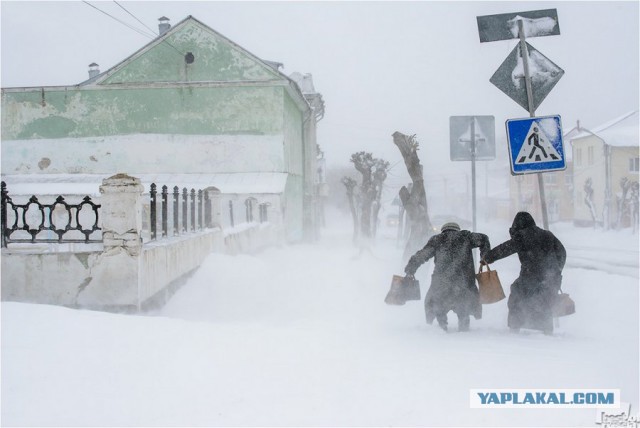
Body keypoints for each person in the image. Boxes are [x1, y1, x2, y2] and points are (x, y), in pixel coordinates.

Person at [482, 212, 566, 335]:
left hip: (531, 276)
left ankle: (515, 328)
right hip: (551, 278)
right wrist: (556, 270)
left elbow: (505, 248)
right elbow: (562, 252)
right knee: (545, 301)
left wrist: (488, 257)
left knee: (517, 294)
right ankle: (547, 330)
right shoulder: (547, 235)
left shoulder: (522, 235)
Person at [404, 222, 490, 332]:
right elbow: (484, 238)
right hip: (463, 283)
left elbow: (422, 255)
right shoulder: (466, 237)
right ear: (457, 230)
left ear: (443, 230)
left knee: (438, 307)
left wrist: (411, 268)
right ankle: (464, 332)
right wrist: (485, 256)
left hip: (442, 283)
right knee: (463, 310)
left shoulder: (437, 240)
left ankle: (442, 329)